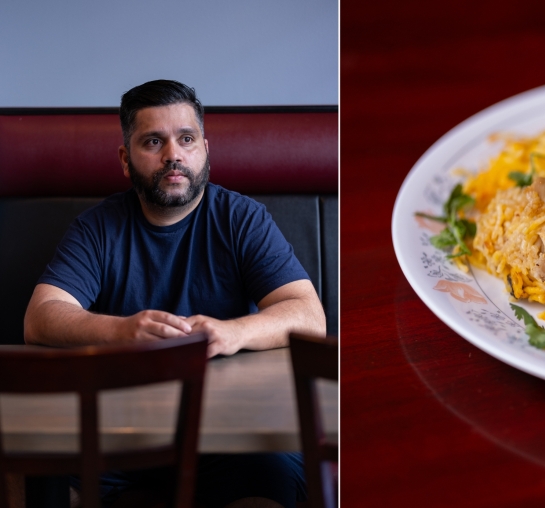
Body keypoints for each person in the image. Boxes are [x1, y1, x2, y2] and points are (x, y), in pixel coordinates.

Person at [23, 80, 326, 508]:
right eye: (153, 141)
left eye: (186, 139)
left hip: (232, 432)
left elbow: (309, 315)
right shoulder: (97, 227)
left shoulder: (242, 218)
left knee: (272, 480)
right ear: (126, 160)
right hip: (121, 435)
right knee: (39, 475)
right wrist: (122, 331)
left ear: (205, 148)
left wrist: (231, 333)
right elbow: (40, 317)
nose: (173, 155)